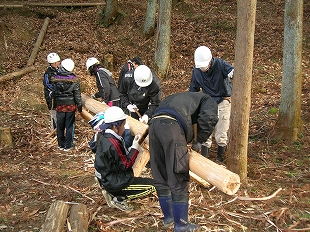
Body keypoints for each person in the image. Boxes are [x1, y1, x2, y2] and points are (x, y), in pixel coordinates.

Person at [148, 91, 218, 231]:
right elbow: (209, 118)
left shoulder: (182, 98)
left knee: (160, 172)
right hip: (171, 126)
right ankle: (181, 224)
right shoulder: (208, 99)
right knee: (178, 172)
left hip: (154, 126)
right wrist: (200, 140)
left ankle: (169, 217)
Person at [94, 106, 155, 212]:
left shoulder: (105, 137)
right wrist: (135, 148)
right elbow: (126, 164)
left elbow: (118, 158)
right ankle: (118, 197)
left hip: (108, 177)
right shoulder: (113, 144)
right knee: (153, 186)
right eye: (123, 124)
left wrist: (132, 147)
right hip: (117, 183)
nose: (124, 127)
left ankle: (108, 188)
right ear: (115, 126)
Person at [189, 46, 234, 162]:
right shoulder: (197, 70)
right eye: (201, 67)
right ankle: (205, 158)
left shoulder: (220, 64)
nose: (203, 69)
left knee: (221, 131)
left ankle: (220, 158)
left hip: (223, 100)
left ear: (210, 61)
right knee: (206, 128)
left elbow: (233, 71)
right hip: (207, 102)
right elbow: (193, 90)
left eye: (204, 66)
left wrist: (232, 73)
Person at [51, 58, 82, 151]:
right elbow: (77, 94)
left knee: (60, 125)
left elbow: (53, 92)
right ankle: (68, 145)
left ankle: (61, 144)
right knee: (69, 125)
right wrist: (79, 106)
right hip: (70, 105)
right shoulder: (74, 79)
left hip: (60, 105)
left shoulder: (56, 78)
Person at [43, 52, 61, 131]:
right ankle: (54, 130)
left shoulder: (58, 70)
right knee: (53, 113)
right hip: (51, 96)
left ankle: (59, 128)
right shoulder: (48, 73)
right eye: (58, 62)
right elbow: (47, 84)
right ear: (53, 63)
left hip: (58, 95)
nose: (59, 63)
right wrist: (56, 89)